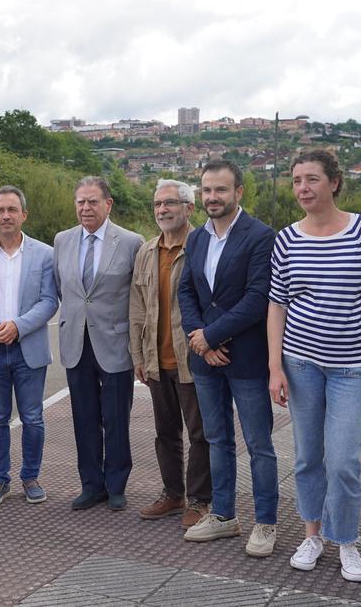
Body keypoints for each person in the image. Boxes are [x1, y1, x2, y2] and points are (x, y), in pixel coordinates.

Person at [267, 149, 361, 582]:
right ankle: (312, 535)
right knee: (307, 457)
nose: (303, 188)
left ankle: (346, 541)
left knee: (342, 460)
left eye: (312, 179)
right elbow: (277, 305)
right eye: (296, 180)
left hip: (354, 366)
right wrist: (275, 367)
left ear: (334, 182)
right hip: (301, 364)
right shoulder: (287, 239)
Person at [177, 159, 279, 558]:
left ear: (239, 192)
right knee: (216, 439)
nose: (212, 197)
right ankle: (223, 516)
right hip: (206, 359)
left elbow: (258, 298)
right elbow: (186, 291)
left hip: (247, 359)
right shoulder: (198, 238)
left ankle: (265, 522)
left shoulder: (260, 236)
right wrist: (200, 341)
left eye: (220, 190)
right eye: (206, 190)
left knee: (259, 444)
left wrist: (212, 334)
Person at [0, 185, 59, 507]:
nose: (6, 215)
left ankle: (30, 477)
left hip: (28, 348)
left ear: (24, 215)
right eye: (0, 210)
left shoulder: (44, 254)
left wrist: (18, 326)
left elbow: (49, 301)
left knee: (33, 418)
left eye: (12, 210)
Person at [54, 175, 144, 511]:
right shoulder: (63, 240)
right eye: (81, 202)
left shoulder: (131, 241)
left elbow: (138, 296)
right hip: (76, 340)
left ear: (108, 204)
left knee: (116, 416)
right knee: (84, 416)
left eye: (93, 201)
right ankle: (91, 484)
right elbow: (62, 288)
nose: (86, 208)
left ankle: (117, 483)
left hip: (115, 341)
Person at [129, 179, 211, 530]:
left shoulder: (203, 246)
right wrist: (138, 355)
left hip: (192, 359)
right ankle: (172, 494)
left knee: (200, 434)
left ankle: (199, 500)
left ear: (189, 209)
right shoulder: (146, 251)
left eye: (170, 203)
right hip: (156, 360)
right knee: (165, 432)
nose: (162, 210)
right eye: (158, 204)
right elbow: (137, 308)